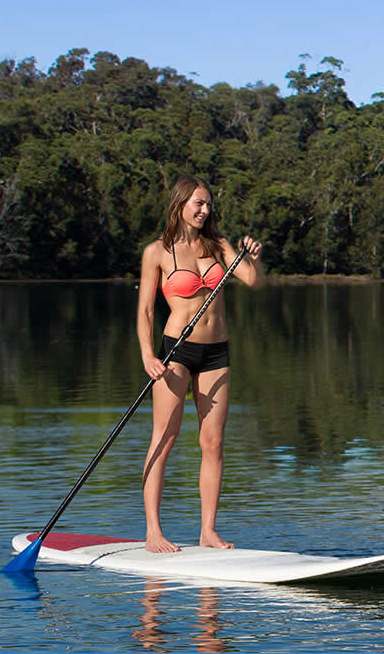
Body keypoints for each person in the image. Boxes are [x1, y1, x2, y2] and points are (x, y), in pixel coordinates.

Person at [135, 175, 263, 553]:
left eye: (208, 204)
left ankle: (208, 531)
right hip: (175, 352)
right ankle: (153, 532)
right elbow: (144, 310)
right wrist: (147, 355)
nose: (205, 210)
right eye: (198, 204)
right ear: (180, 205)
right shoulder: (156, 252)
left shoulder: (219, 245)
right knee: (165, 438)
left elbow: (253, 282)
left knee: (213, 443)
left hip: (217, 352)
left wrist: (253, 257)